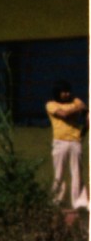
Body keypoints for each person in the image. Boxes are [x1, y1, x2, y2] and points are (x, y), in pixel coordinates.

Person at [46, 81, 87, 209]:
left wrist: (83, 132)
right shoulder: (51, 104)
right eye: (64, 92)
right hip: (60, 142)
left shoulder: (75, 101)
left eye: (68, 91)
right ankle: (56, 202)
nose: (67, 94)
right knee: (59, 174)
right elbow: (63, 114)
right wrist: (76, 109)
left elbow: (86, 112)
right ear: (58, 93)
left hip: (75, 141)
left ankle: (78, 203)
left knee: (77, 173)